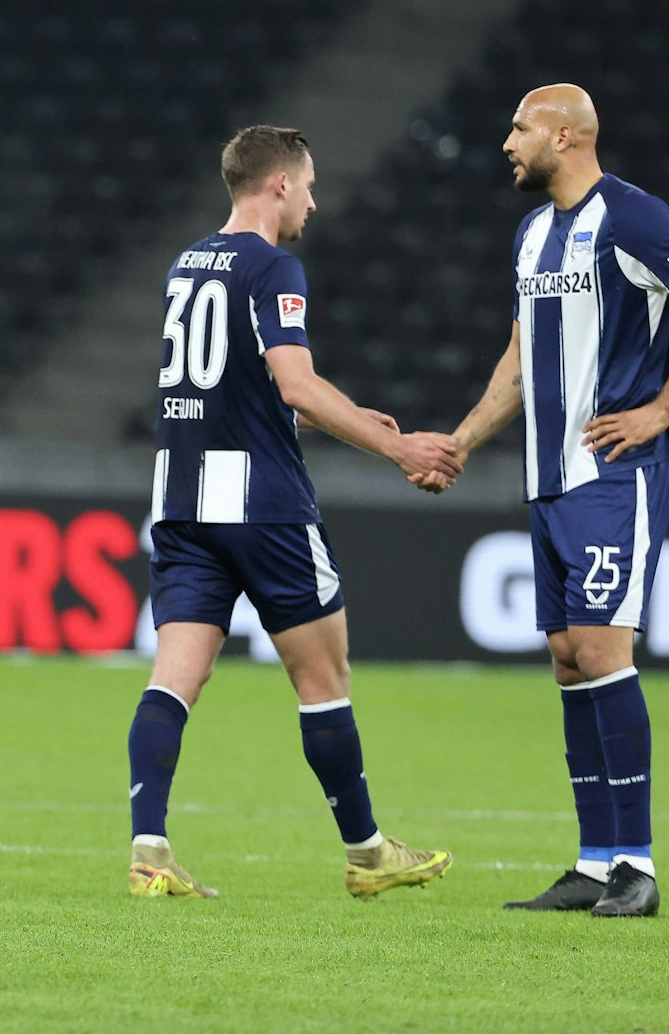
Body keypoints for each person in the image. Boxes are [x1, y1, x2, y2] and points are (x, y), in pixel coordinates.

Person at [129, 125, 457, 900]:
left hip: (183, 500)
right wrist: (399, 448)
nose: (313, 201)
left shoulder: (187, 264)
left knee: (173, 680)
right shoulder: (274, 265)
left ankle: (149, 849)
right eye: (309, 185)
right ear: (279, 183)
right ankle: (367, 851)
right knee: (323, 678)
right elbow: (293, 383)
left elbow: (235, 388)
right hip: (264, 508)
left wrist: (346, 418)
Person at [437, 84, 665, 917]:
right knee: (569, 657)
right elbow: (518, 360)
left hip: (614, 475)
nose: (508, 142)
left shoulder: (635, 220)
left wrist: (660, 410)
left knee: (603, 650)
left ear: (566, 135)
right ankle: (595, 861)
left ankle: (637, 864)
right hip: (548, 479)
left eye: (520, 127)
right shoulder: (532, 234)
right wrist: (461, 441)